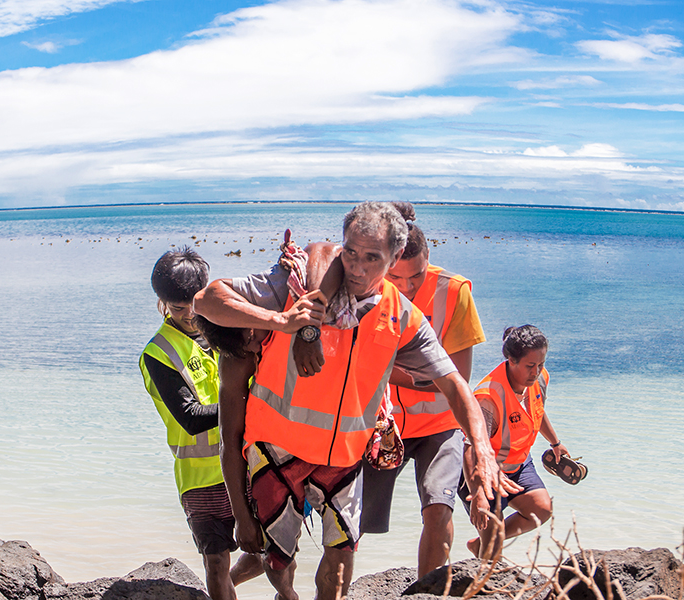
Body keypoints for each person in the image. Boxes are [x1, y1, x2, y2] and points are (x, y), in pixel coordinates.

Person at [193, 202, 515, 599]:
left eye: (372, 258)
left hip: (344, 460)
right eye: (351, 253)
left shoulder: (402, 317)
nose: (358, 268)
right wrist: (284, 321)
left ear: (395, 257)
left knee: (339, 573)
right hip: (276, 449)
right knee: (278, 565)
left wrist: (482, 452)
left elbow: (455, 385)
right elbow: (206, 300)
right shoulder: (295, 285)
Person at [360, 202, 486, 577]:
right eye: (396, 279)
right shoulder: (366, 290)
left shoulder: (455, 291)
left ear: (427, 259)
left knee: (438, 508)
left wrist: (390, 372)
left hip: (439, 426)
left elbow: (456, 380)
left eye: (415, 277)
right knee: (351, 521)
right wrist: (420, 375)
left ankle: (426, 590)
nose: (406, 287)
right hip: (382, 425)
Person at [139, 248, 262, 600]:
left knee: (269, 553)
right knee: (216, 565)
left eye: (194, 303)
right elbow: (191, 418)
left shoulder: (230, 331)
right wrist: (248, 405)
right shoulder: (158, 352)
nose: (190, 314)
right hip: (200, 479)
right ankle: (222, 588)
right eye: (178, 308)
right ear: (162, 303)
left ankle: (227, 589)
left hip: (248, 466)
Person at [460, 324, 570, 561]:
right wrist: (477, 491)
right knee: (492, 557)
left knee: (542, 510)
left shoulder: (539, 380)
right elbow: (470, 448)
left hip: (518, 465)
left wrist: (555, 442)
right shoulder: (488, 398)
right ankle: (487, 546)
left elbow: (536, 412)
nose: (537, 371)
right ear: (511, 360)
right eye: (530, 366)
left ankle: (485, 540)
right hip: (485, 474)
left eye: (541, 364)